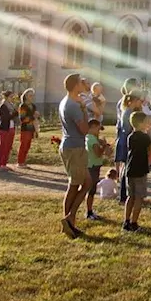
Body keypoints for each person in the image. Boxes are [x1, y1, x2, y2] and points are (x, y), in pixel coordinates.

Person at [58, 74, 92, 239]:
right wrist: (84, 110)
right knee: (75, 185)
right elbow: (84, 129)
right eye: (81, 82)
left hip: (72, 146)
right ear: (75, 85)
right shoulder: (73, 105)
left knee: (85, 182)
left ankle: (69, 220)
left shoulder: (68, 101)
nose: (83, 84)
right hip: (74, 148)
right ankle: (69, 220)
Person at [123, 111, 151, 232]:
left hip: (130, 169)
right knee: (139, 197)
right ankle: (134, 223)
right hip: (140, 170)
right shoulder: (145, 137)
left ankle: (126, 221)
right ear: (141, 123)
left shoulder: (130, 136)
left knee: (131, 196)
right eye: (145, 122)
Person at [84, 119, 111, 221]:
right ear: (93, 127)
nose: (99, 131)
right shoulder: (92, 139)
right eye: (98, 129)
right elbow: (98, 153)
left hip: (93, 165)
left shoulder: (89, 138)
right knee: (91, 190)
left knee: (92, 189)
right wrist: (103, 146)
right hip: (93, 166)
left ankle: (90, 210)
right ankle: (89, 211)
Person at [15, 89, 39, 169]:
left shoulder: (33, 106)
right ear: (25, 96)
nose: (32, 97)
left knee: (28, 146)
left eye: (32, 95)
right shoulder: (23, 106)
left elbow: (35, 118)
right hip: (25, 128)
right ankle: (20, 162)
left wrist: (36, 129)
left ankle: (23, 161)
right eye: (30, 95)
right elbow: (22, 119)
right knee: (23, 145)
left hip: (32, 128)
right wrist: (33, 117)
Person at [0, 90, 17, 170]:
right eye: (11, 97)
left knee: (8, 146)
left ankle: (4, 163)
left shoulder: (12, 105)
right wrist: (14, 114)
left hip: (11, 127)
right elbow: (5, 118)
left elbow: (13, 116)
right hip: (4, 128)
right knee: (3, 146)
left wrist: (15, 114)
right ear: (6, 97)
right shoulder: (3, 106)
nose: (12, 98)